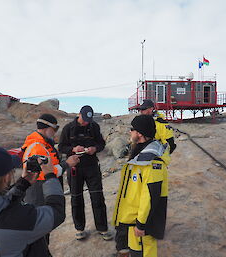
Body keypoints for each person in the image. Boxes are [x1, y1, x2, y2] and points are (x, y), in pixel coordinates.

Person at [0, 147, 65, 257]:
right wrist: (50, 176)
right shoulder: (21, 219)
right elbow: (56, 212)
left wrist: (23, 184)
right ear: (7, 177)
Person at [112, 115, 169, 257]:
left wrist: (141, 224)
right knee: (136, 251)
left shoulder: (152, 161)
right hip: (133, 220)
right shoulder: (139, 152)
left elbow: (150, 196)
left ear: (139, 133)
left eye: (132, 129)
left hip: (141, 223)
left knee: (143, 252)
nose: (129, 133)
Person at [59, 105, 113, 241]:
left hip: (91, 166)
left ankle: (102, 228)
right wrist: (73, 149)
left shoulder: (93, 127)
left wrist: (94, 148)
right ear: (79, 114)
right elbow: (61, 147)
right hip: (75, 167)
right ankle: (80, 228)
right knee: (76, 198)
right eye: (84, 119)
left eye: (89, 119)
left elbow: (101, 143)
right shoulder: (68, 128)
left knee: (97, 197)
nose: (86, 122)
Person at [22, 113, 79, 206]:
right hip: (39, 194)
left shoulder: (44, 145)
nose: (55, 132)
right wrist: (67, 164)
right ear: (47, 128)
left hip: (44, 189)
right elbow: (45, 172)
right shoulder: (38, 147)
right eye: (55, 129)